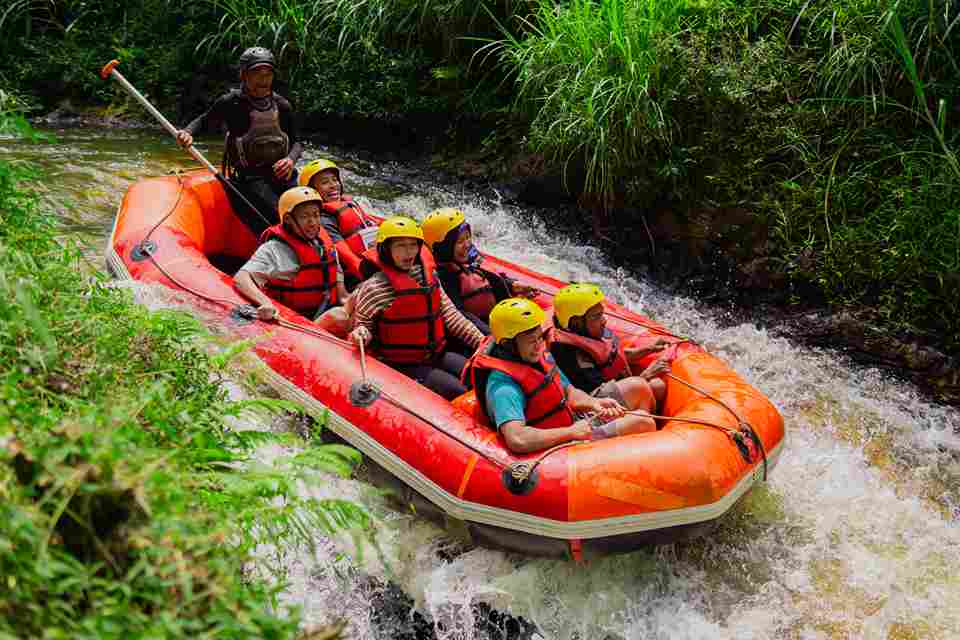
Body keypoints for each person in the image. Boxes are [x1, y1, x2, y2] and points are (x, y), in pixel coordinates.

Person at [463, 298, 656, 454]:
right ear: (508, 344)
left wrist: (593, 403)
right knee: (642, 421)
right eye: (531, 341)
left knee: (638, 388)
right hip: (556, 448)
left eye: (540, 337)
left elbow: (569, 391)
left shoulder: (537, 357)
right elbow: (517, 439)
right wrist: (571, 432)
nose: (539, 345)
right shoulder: (503, 387)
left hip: (572, 422)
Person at [348, 216, 485, 400]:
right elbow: (362, 325)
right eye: (401, 246)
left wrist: (481, 342)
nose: (408, 252)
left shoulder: (429, 277)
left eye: (413, 245)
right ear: (386, 249)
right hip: (402, 364)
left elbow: (452, 317)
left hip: (437, 354)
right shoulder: (373, 288)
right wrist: (360, 333)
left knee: (481, 376)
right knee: (457, 390)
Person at [176, 47, 302, 235]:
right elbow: (203, 120)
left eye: (268, 75)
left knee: (304, 211)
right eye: (257, 74)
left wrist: (290, 160)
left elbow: (298, 142)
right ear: (244, 75)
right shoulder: (232, 102)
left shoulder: (282, 105)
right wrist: (187, 132)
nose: (263, 80)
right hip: (250, 178)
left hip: (282, 175)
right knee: (282, 216)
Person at [234, 186, 350, 335]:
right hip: (293, 324)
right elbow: (241, 278)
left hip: (323, 313)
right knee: (338, 317)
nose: (313, 222)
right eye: (305, 217)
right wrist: (265, 303)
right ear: (288, 219)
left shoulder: (324, 244)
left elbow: (342, 295)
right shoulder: (274, 249)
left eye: (316, 215)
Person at [550, 283, 669, 412]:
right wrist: (646, 375)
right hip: (594, 405)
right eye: (597, 316)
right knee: (649, 385)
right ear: (576, 322)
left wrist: (648, 349)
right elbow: (598, 394)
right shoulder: (572, 355)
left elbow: (610, 356)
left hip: (608, 388)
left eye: (602, 314)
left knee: (657, 386)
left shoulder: (584, 332)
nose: (604, 320)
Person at [421, 207, 538, 334]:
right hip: (482, 331)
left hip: (497, 320)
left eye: (467, 237)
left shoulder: (469, 259)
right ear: (443, 248)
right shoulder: (445, 277)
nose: (467, 244)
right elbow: (460, 316)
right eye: (460, 241)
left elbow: (492, 279)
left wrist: (512, 286)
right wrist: (492, 335)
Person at [298, 158, 379, 285]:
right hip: (355, 276)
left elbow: (371, 221)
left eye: (335, 180)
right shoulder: (323, 220)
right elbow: (347, 256)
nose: (333, 185)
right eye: (325, 182)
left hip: (373, 259)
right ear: (312, 191)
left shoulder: (347, 204)